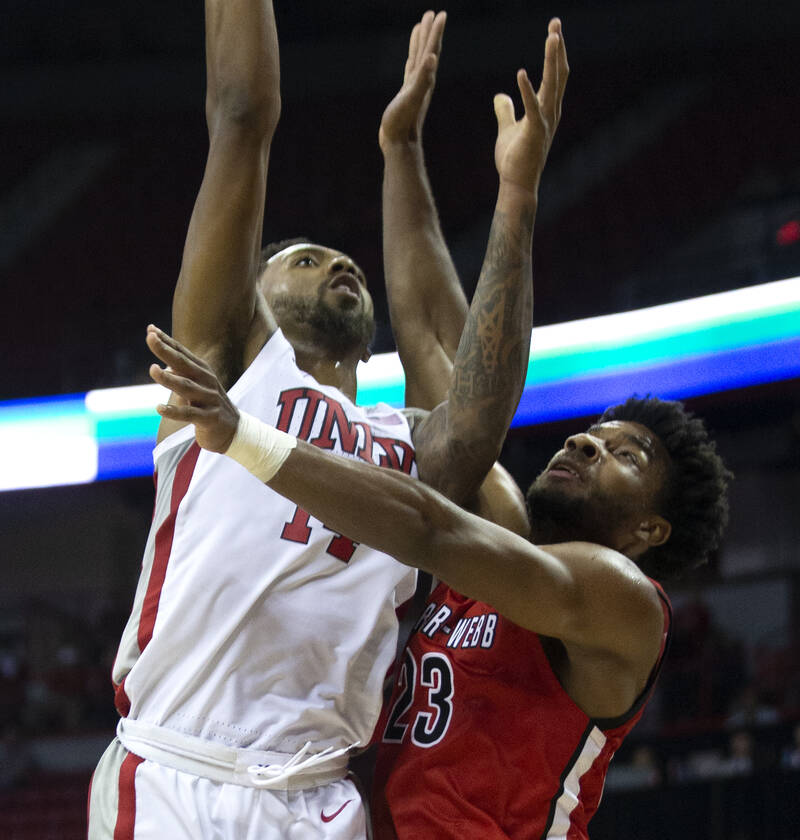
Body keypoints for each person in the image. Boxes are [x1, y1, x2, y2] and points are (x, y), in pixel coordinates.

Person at [86, 0, 568, 840]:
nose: (333, 259)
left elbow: (486, 394)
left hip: (318, 803)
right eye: (301, 256)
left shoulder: (411, 448)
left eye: (340, 257)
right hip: (175, 773)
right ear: (249, 301)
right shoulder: (223, 375)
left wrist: (512, 198)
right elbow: (241, 116)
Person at [143, 329, 732, 840]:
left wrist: (245, 438)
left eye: (626, 454)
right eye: (593, 432)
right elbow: (433, 348)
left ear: (651, 528)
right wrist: (504, 198)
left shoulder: (625, 599)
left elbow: (428, 526)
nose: (586, 441)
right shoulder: (502, 555)